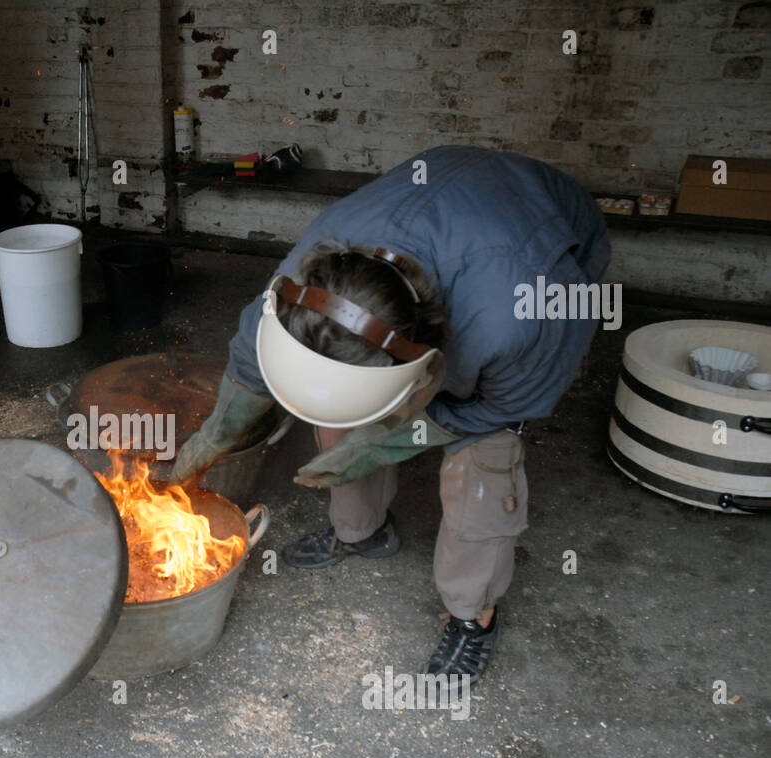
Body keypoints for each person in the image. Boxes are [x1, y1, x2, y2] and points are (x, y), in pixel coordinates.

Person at [173, 145, 610, 683]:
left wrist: (386, 442)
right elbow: (258, 349)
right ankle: (361, 531)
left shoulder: (521, 317)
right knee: (335, 410)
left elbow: (505, 405)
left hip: (542, 229)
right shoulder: (310, 272)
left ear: (420, 360)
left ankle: (474, 614)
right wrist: (221, 429)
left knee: (482, 468)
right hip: (445, 207)